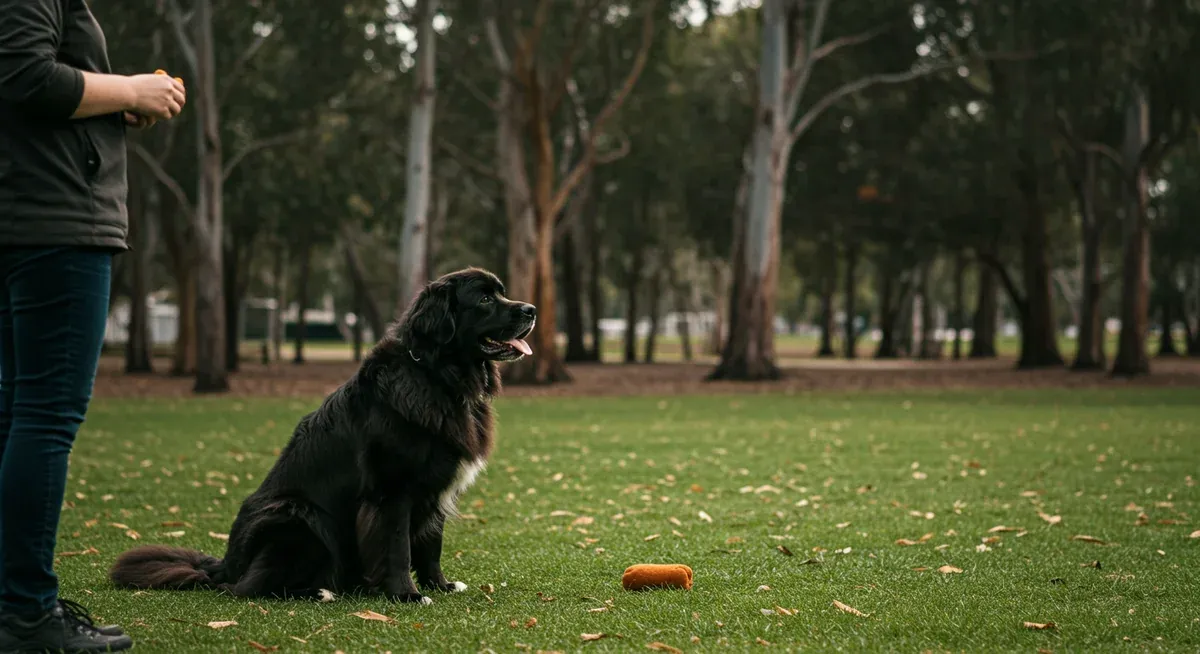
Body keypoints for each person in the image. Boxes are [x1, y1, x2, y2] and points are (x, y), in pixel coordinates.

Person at [0, 0, 186, 650]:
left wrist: (114, 104)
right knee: (44, 417)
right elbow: (27, 77)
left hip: (27, 213)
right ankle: (24, 611)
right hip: (55, 222)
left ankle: (12, 605)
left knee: (18, 412)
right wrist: (132, 87)